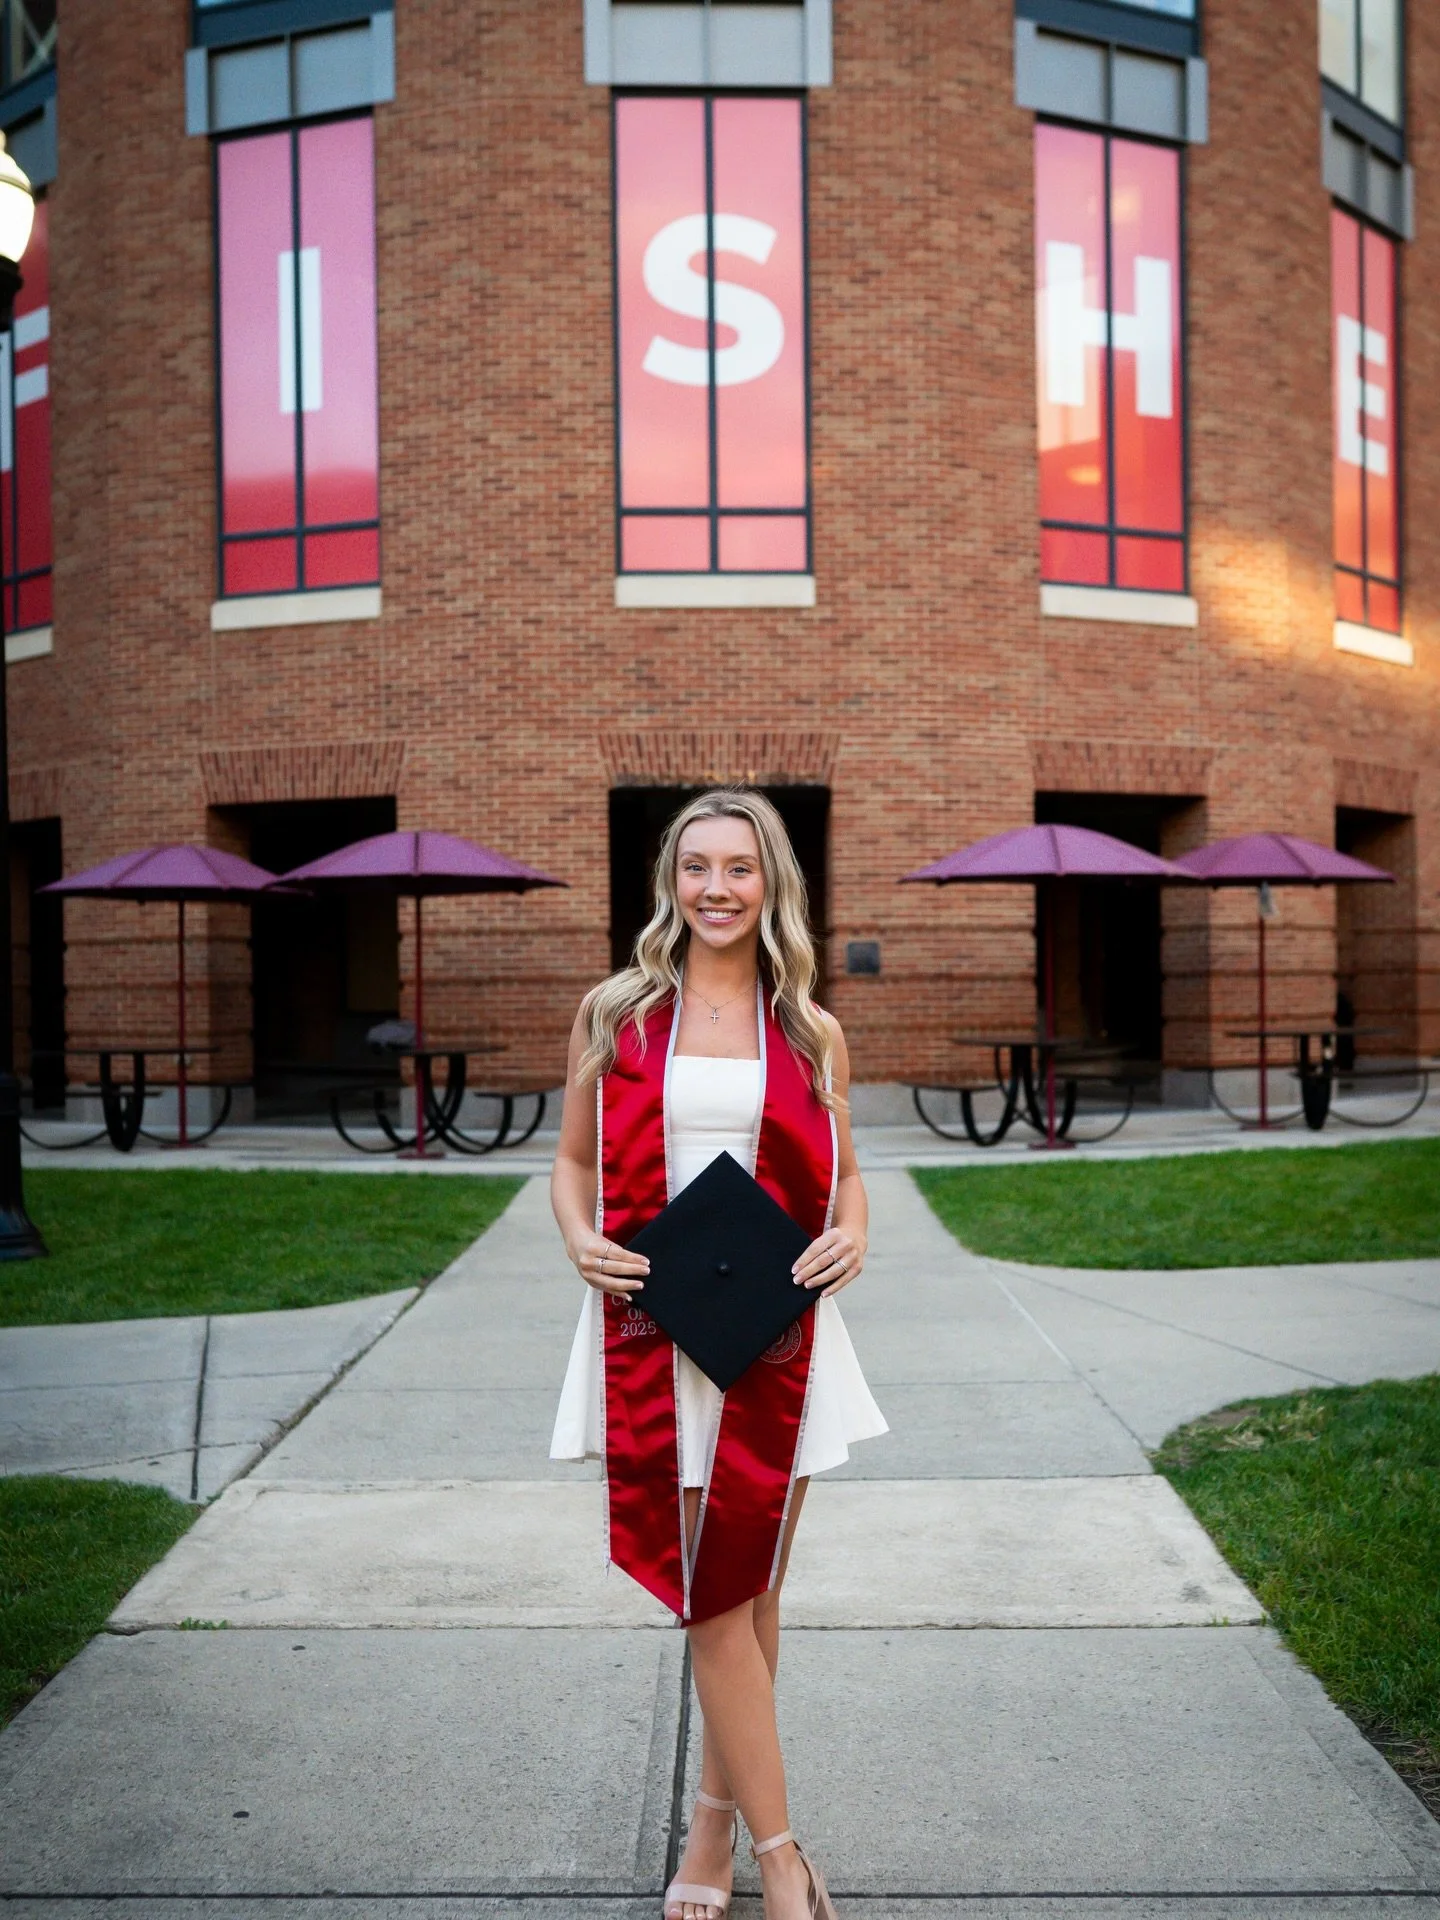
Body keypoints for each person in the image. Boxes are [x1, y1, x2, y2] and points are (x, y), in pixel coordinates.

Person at [551, 787, 886, 1920]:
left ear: (771, 882)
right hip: (656, 1332)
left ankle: (712, 1828)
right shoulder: (615, 1015)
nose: (717, 888)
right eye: (696, 866)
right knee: (711, 1598)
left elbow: (847, 1176)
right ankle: (780, 1856)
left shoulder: (810, 1030)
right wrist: (578, 1238)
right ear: (671, 881)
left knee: (751, 1591)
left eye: (739, 867)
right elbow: (571, 1164)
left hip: (777, 1335)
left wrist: (856, 1233)